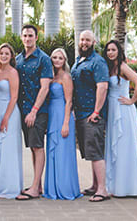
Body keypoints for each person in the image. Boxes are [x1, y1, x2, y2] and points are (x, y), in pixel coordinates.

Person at [14, 24, 54, 200]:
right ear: (21, 38)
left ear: (36, 38)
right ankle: (36, 186)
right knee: (32, 146)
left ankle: (36, 187)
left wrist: (34, 111)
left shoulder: (43, 59)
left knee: (38, 147)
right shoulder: (18, 59)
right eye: (25, 36)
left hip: (37, 111)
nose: (28, 38)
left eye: (31, 35)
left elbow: (45, 87)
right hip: (23, 111)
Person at [103, 39, 137, 197]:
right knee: (114, 147)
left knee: (124, 147)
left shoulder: (122, 67)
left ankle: (127, 187)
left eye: (113, 50)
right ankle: (114, 185)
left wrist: (132, 100)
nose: (110, 53)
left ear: (119, 52)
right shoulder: (109, 68)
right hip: (112, 109)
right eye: (108, 50)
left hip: (123, 109)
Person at [72, 30, 110, 202]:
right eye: (82, 39)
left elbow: (102, 87)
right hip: (80, 113)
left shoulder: (98, 62)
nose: (84, 42)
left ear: (94, 42)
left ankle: (102, 189)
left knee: (95, 152)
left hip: (91, 114)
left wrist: (96, 111)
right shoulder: (79, 61)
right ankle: (94, 185)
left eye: (87, 40)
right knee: (89, 151)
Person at [43, 48, 81, 200]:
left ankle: (65, 188)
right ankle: (52, 188)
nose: (57, 60)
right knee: (52, 153)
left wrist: (66, 123)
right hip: (52, 115)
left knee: (63, 153)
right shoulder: (50, 76)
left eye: (60, 58)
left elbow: (69, 101)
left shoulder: (66, 77)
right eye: (54, 57)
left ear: (64, 60)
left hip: (63, 116)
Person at [0, 43, 23, 199]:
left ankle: (9, 186)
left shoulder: (13, 72)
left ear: (11, 56)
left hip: (9, 111)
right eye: (1, 53)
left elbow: (14, 97)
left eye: (7, 54)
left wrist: (6, 117)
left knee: (8, 149)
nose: (3, 56)